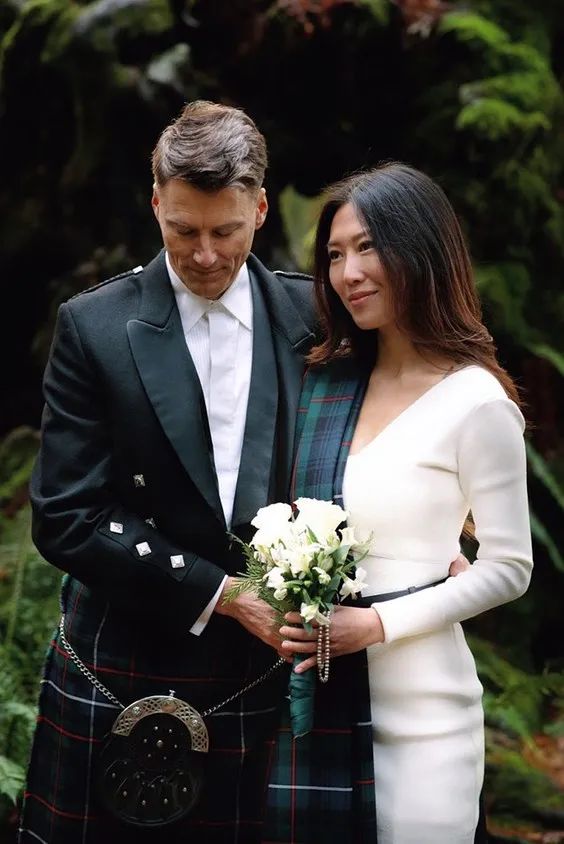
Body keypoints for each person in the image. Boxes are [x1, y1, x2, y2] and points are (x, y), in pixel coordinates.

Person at [19, 100, 318, 844]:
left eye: (226, 231)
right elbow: (65, 515)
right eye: (183, 230)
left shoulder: (315, 317)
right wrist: (225, 595)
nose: (205, 255)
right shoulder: (94, 327)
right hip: (125, 650)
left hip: (267, 669)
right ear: (155, 203)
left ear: (260, 208)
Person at [269, 163, 533, 844]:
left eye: (367, 248)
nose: (348, 273)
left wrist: (377, 624)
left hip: (425, 718)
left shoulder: (476, 401)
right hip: (315, 711)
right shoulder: (326, 383)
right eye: (334, 255)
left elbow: (509, 567)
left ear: (420, 249)